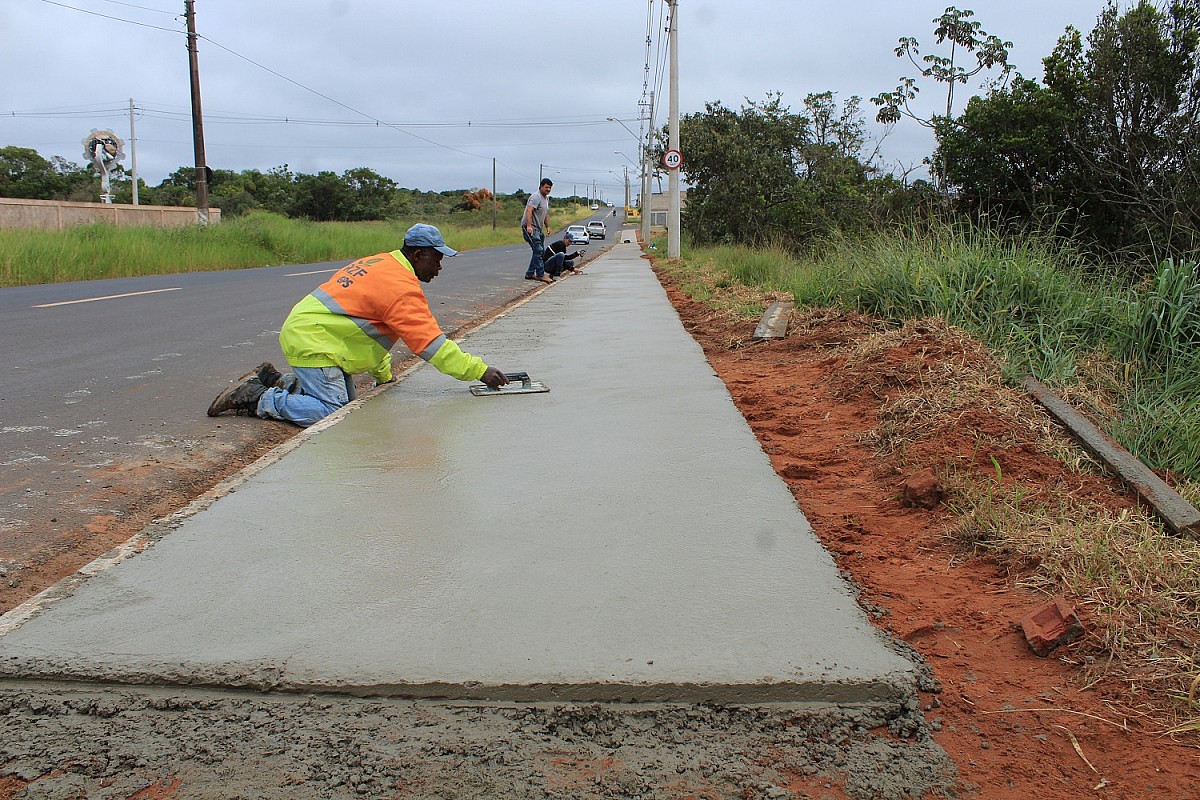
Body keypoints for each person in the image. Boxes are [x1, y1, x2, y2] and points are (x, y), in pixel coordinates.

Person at [207, 223, 509, 426]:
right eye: (437, 259)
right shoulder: (401, 288)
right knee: (335, 413)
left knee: (350, 401)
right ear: (418, 255)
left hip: (311, 332)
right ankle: (258, 398)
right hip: (315, 342)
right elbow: (432, 346)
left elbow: (374, 335)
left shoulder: (382, 263)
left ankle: (282, 381)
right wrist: (480, 371)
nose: (440, 267)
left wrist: (385, 377)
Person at [522, 177, 554, 283]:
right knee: (539, 251)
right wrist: (529, 226)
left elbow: (545, 214)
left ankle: (530, 273)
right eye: (546, 187)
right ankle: (540, 275)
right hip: (531, 227)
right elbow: (529, 211)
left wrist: (548, 226)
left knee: (538, 251)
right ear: (540, 186)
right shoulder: (536, 197)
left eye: (550, 188)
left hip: (538, 228)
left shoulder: (546, 199)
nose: (548, 189)